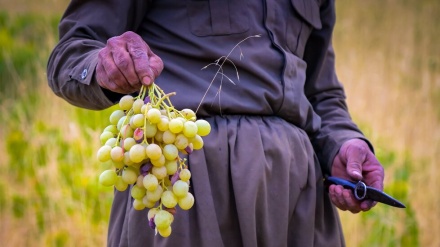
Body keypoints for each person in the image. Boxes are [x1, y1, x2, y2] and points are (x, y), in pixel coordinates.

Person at [47, 0, 384, 246]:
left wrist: (345, 143)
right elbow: (71, 54)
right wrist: (105, 66)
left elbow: (321, 91)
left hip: (299, 199)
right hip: (185, 184)